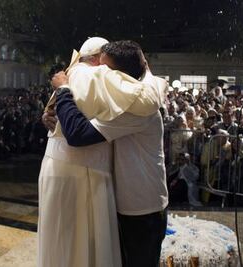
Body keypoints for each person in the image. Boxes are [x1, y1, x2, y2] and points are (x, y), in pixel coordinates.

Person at [38, 38, 161, 267]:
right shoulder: (94, 78)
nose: (103, 72)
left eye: (107, 68)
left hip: (140, 203)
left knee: (67, 244)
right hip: (99, 181)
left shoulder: (135, 102)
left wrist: (63, 90)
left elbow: (78, 133)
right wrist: (50, 114)